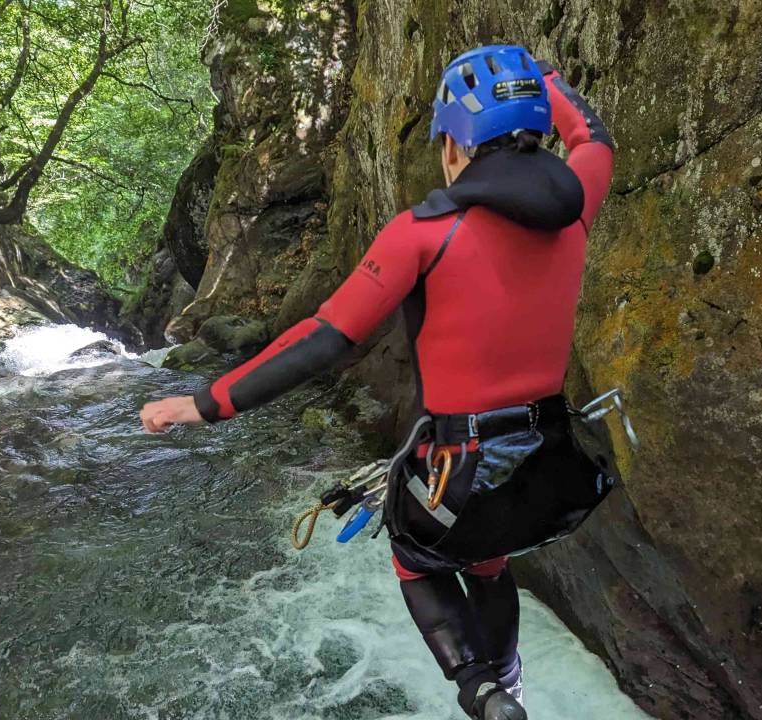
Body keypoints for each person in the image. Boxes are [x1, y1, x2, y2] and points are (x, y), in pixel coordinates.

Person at [141, 44, 614, 720]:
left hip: (461, 459)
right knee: (489, 559)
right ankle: (510, 683)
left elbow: (322, 339)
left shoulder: (421, 234)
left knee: (416, 552)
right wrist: (546, 78)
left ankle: (479, 689)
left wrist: (203, 402)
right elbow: (593, 140)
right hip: (547, 459)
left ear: (454, 145)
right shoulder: (576, 210)